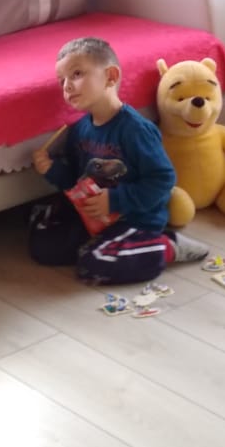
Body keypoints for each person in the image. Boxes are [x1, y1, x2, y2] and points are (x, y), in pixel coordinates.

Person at [30, 36, 210, 283]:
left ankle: (165, 245)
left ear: (111, 76)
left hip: (134, 220)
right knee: (43, 247)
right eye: (62, 81)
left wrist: (115, 200)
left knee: (93, 265)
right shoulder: (79, 130)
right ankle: (102, 245)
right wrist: (52, 169)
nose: (67, 86)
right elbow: (76, 181)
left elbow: (162, 179)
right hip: (94, 218)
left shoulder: (135, 130)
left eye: (77, 74)